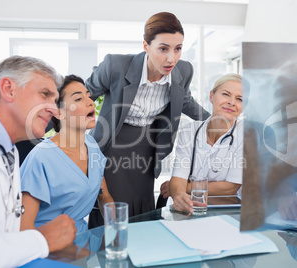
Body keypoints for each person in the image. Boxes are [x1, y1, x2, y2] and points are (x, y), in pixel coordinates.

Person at [85, 12, 209, 226]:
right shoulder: (116, 66)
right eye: (163, 49)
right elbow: (82, 96)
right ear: (146, 46)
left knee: (142, 208)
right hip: (111, 147)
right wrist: (49, 128)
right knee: (112, 209)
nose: (172, 58)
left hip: (147, 149)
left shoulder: (184, 71)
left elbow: (187, 103)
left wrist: (224, 124)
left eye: (178, 48)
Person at [0, 56, 77, 267]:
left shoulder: (8, 146)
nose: (55, 110)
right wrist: (41, 239)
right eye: (45, 94)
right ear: (8, 89)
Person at [20, 75, 113, 234]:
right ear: (59, 113)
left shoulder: (91, 146)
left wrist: (116, 229)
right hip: (48, 248)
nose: (90, 102)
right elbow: (23, 229)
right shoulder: (41, 158)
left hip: (84, 241)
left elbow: (104, 197)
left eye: (89, 96)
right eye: (78, 99)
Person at [168, 74, 244, 213]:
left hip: (232, 214)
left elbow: (231, 188)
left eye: (239, 99)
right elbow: (178, 176)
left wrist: (180, 187)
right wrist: (178, 195)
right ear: (211, 96)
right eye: (226, 94)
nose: (232, 102)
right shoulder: (190, 131)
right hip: (192, 211)